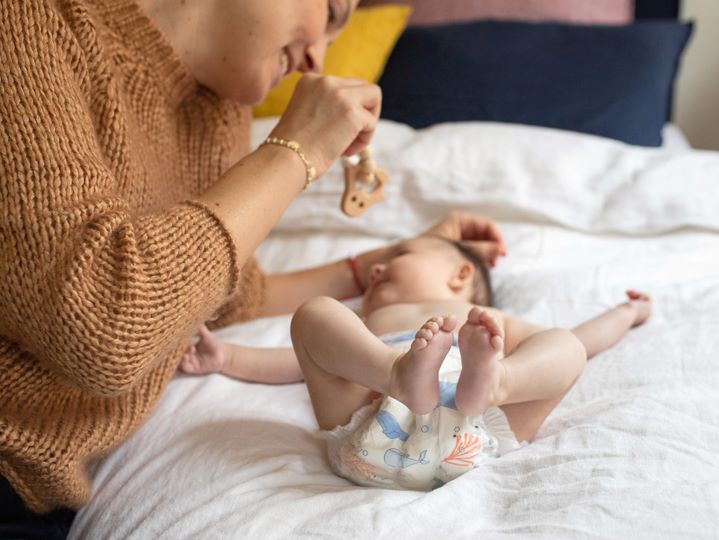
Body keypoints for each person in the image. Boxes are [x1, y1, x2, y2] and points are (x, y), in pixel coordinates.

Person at [0, 0, 505, 536]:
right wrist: (295, 150)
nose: (316, 59)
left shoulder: (217, 108)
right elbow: (103, 329)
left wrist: (383, 264)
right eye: (331, 12)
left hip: (45, 497)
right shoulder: (27, 23)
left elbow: (221, 296)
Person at [181, 236, 652, 489]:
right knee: (316, 315)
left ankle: (498, 382)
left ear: (460, 275)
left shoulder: (484, 323)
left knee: (563, 344)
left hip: (476, 422)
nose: (377, 269)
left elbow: (578, 346)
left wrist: (625, 313)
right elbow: (296, 361)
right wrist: (227, 356)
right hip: (370, 412)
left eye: (400, 254)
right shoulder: (367, 322)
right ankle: (398, 372)